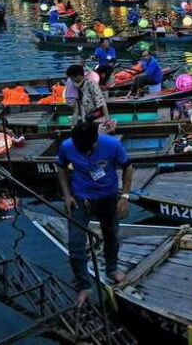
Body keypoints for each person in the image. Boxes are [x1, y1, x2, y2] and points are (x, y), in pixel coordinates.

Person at [56, 121, 132, 306]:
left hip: (108, 197)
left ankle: (111, 269)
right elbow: (61, 167)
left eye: (88, 149)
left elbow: (128, 167)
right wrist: (66, 195)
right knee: (75, 244)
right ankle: (84, 285)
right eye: (81, 149)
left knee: (111, 234)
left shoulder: (112, 145)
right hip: (80, 199)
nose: (85, 152)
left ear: (95, 140)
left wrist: (125, 196)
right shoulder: (67, 146)